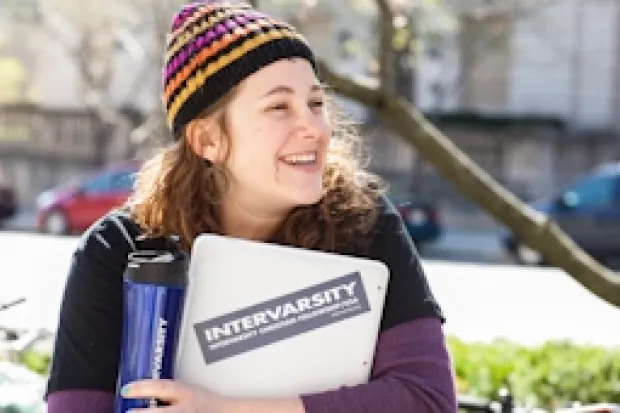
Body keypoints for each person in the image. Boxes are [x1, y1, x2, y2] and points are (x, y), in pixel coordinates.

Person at [44, 2, 457, 412]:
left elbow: (427, 399)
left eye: (316, 104)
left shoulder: (364, 222)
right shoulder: (117, 250)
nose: (314, 127)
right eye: (279, 107)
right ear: (207, 140)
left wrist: (227, 409)